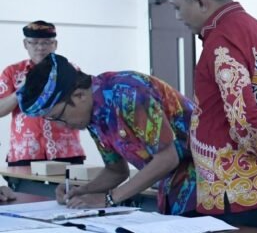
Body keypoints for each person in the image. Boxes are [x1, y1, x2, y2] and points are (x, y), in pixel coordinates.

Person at [155, 0, 257, 230]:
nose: (178, 17)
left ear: (200, 2)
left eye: (178, 8)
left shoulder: (222, 39)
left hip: (239, 195)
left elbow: (243, 120)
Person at [17, 54, 197, 215]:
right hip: (173, 188)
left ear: (79, 95)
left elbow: (167, 158)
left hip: (203, 183)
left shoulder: (128, 93)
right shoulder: (93, 115)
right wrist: (82, 191)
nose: (61, 126)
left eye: (59, 116)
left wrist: (110, 198)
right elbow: (116, 171)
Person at [0, 21, 86, 166]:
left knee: (71, 183)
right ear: (25, 44)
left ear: (55, 44)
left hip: (67, 151)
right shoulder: (12, 72)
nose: (40, 47)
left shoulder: (71, 70)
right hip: (25, 153)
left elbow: (85, 105)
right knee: (23, 183)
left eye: (46, 42)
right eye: (34, 42)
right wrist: (21, 90)